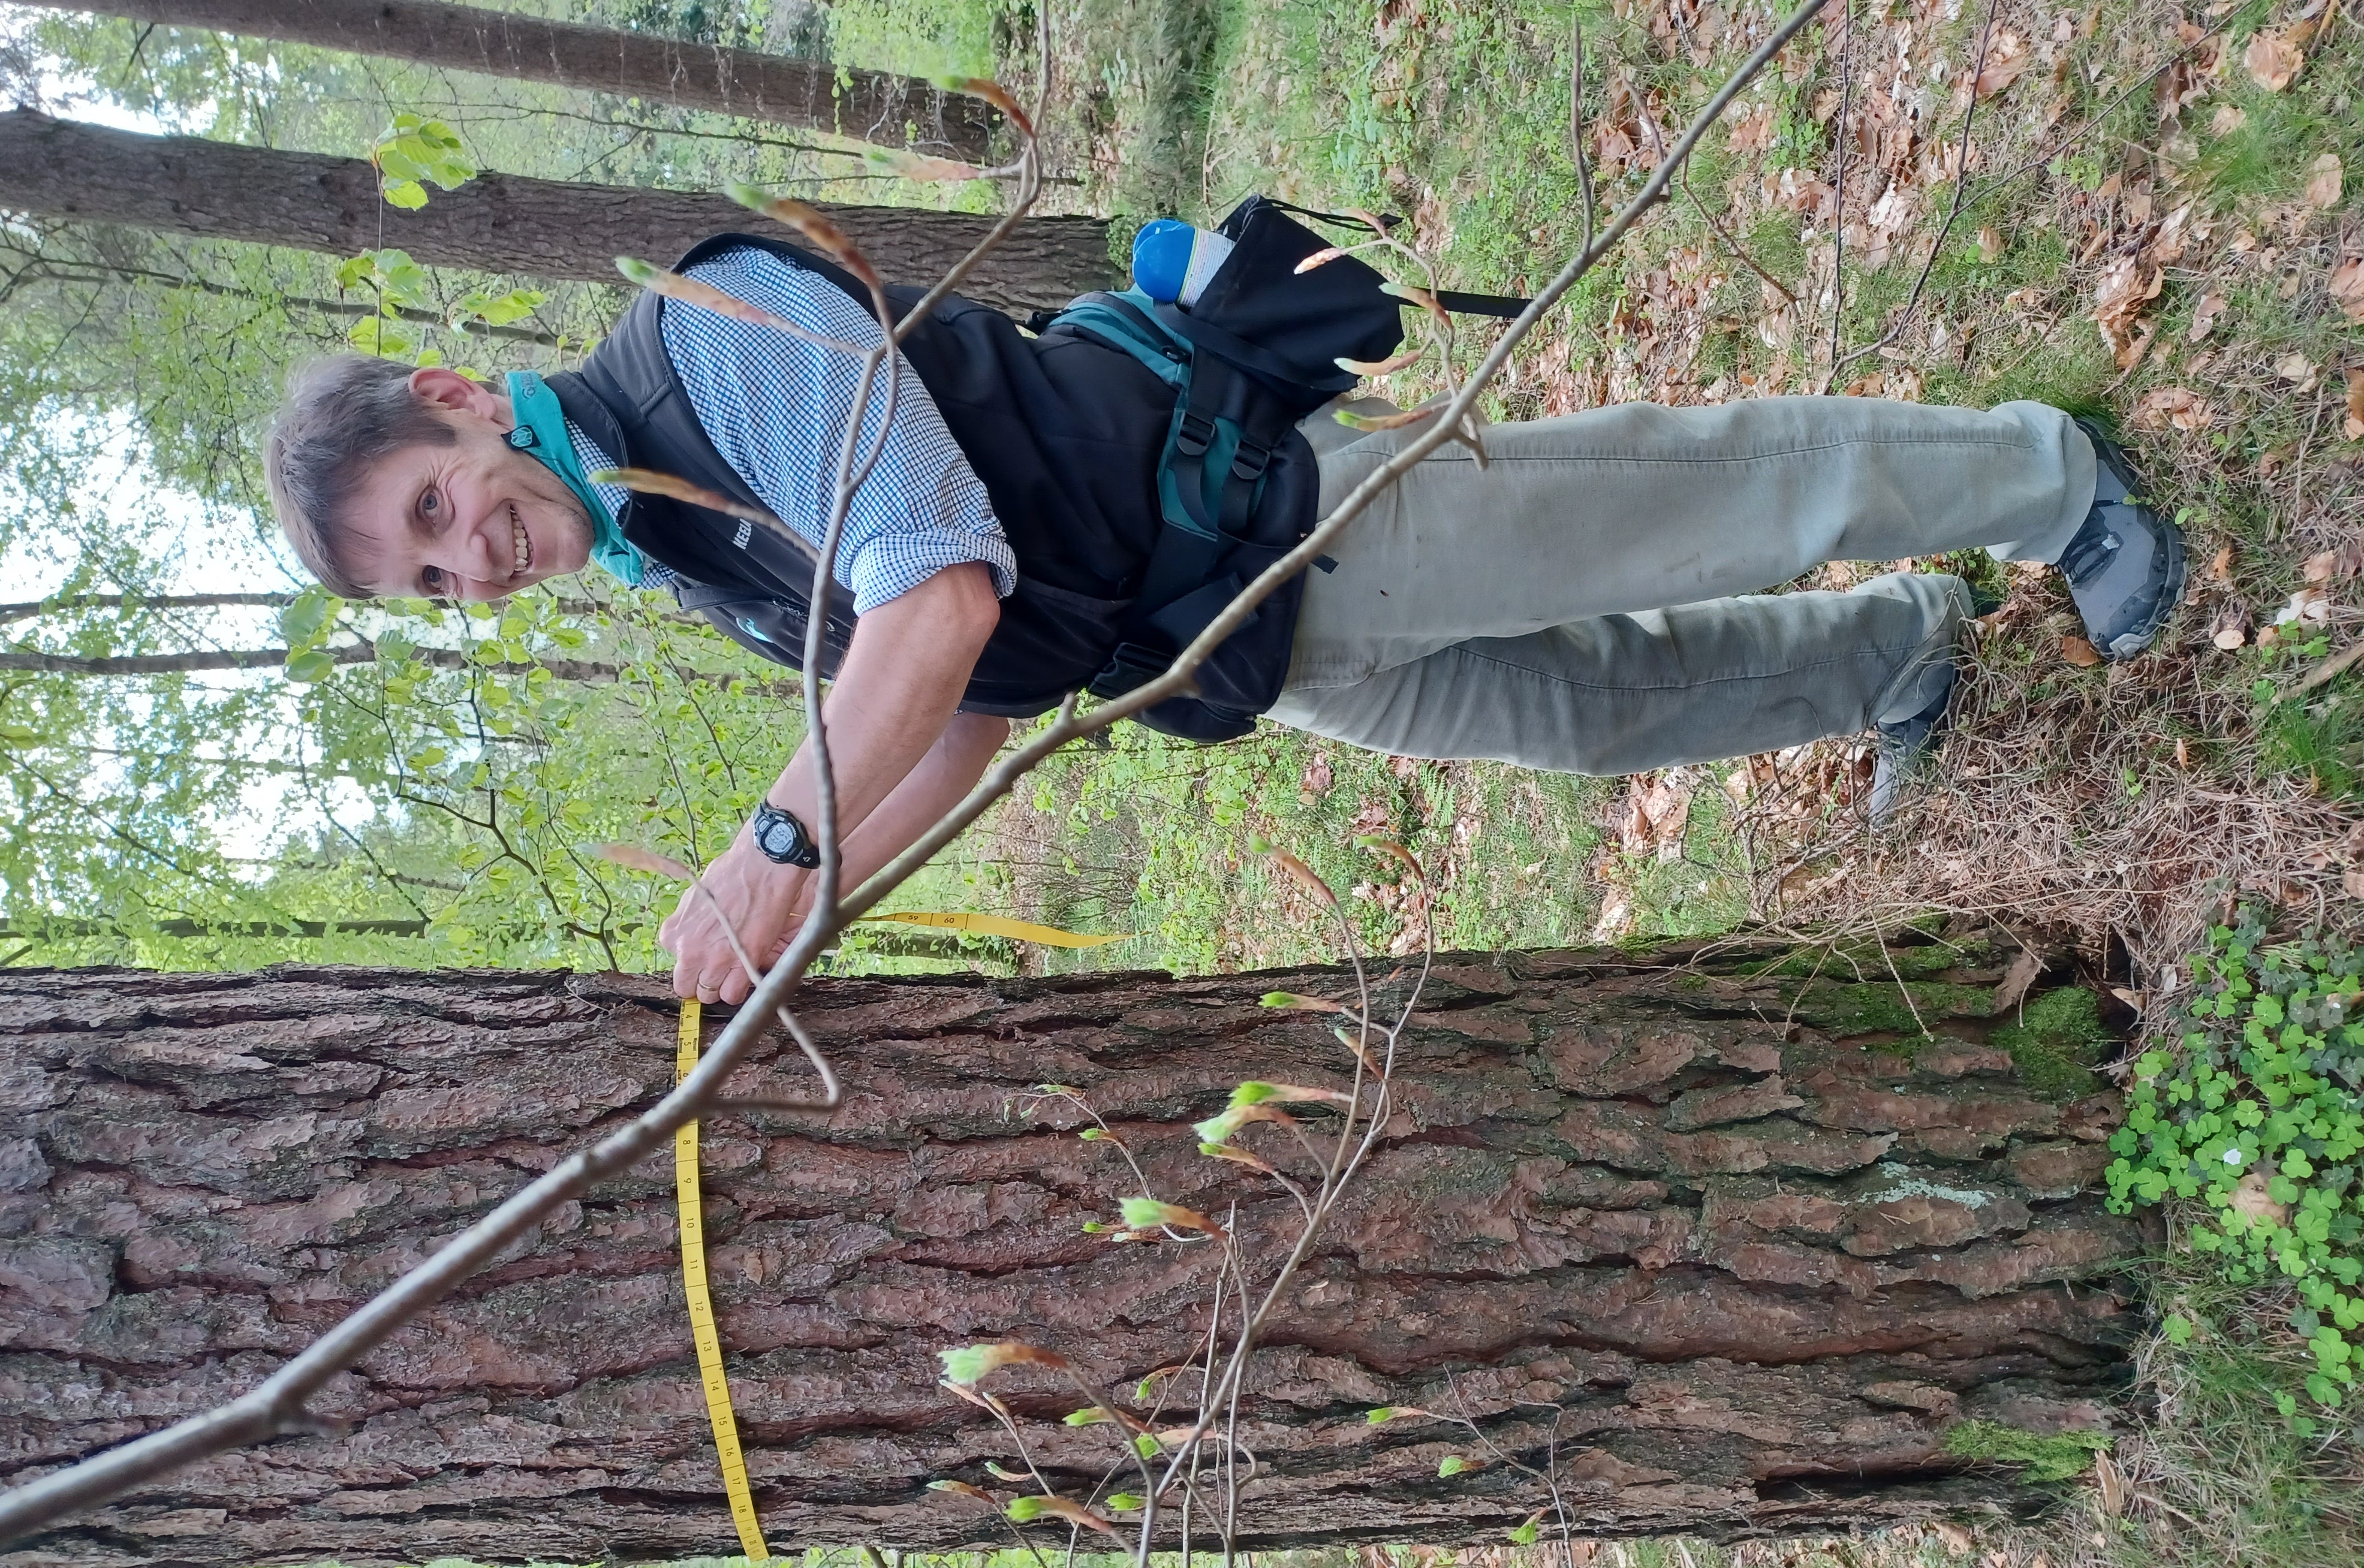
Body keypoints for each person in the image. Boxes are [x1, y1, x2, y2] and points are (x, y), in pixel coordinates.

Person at [264, 230, 2183, 1006]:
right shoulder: (675, 540)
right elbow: (953, 708)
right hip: (1236, 649)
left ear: (453, 398)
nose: (472, 564)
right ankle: (1899, 650)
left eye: (438, 516)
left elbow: (936, 590)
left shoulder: (700, 346)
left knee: (1690, 498)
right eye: (432, 584)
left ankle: (2049, 477)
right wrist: (823, 909)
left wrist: (769, 851)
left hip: (1277, 517)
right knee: (1600, 714)